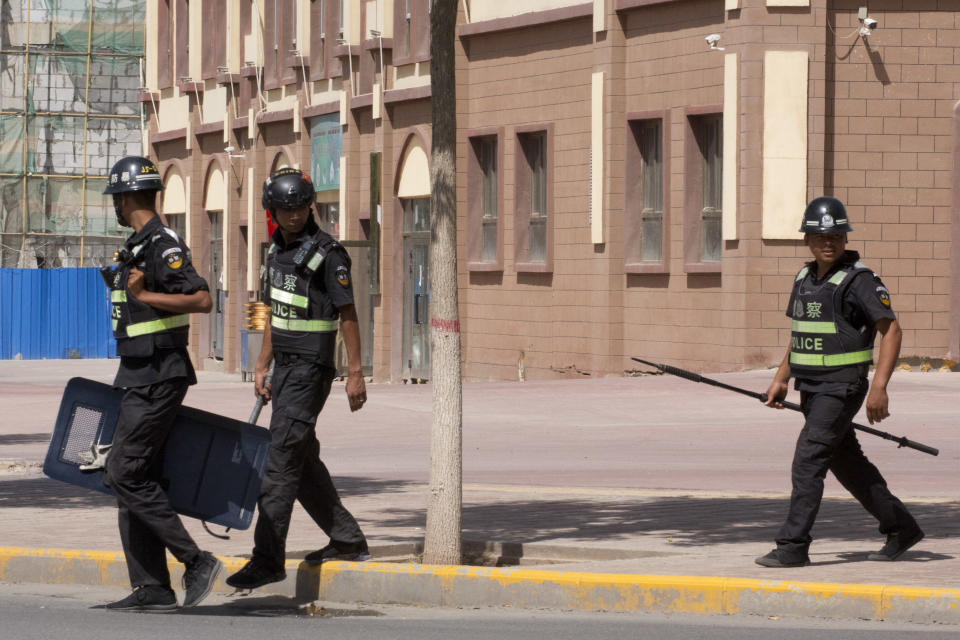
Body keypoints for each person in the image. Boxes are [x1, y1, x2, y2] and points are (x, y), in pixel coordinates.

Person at [757, 196, 923, 568]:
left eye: (835, 235)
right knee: (847, 463)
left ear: (845, 238)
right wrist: (780, 379)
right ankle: (902, 528)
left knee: (808, 460)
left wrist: (879, 387)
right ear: (807, 241)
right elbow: (800, 333)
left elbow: (891, 329)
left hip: (842, 386)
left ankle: (793, 545)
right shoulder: (804, 278)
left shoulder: (859, 281)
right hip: (812, 387)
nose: (827, 242)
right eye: (820, 237)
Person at [226, 168, 370, 591]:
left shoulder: (328, 254)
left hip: (312, 371)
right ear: (273, 211)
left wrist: (356, 374)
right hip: (284, 368)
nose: (292, 216)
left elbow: (348, 315)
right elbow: (275, 314)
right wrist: (261, 364)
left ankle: (267, 560)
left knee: (279, 462)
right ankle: (347, 539)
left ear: (311, 207)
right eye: (284, 209)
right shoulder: (275, 254)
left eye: (300, 207)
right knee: (301, 462)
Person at [100, 156, 223, 610]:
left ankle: (196, 561)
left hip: (160, 372)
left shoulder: (162, 242)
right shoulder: (135, 245)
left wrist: (143, 294)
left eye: (116, 198)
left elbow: (202, 298)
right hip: (138, 372)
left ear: (127, 197)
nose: (115, 205)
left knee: (123, 472)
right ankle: (151, 585)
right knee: (131, 476)